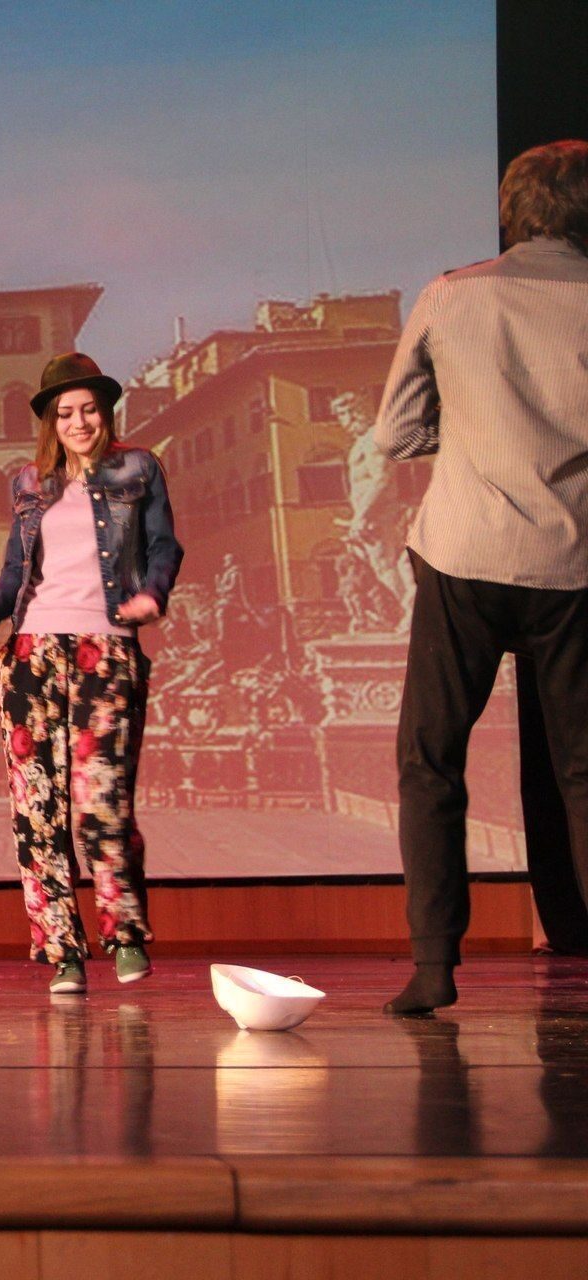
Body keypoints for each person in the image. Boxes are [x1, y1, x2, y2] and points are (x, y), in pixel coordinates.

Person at [372, 139, 588, 1015]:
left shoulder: (452, 295)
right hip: (574, 563)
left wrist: (468, 437)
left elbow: (395, 434)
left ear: (512, 210)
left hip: (464, 555)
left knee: (430, 762)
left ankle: (434, 966)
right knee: (585, 772)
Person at [0, 353, 182, 995]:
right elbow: (15, 568)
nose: (78, 422)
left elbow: (164, 545)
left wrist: (153, 595)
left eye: (88, 409)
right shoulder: (31, 482)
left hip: (105, 648)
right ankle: (61, 950)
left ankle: (125, 934)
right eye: (65, 413)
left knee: (101, 798)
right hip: (31, 651)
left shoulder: (139, 468)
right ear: (51, 422)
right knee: (38, 806)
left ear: (105, 413)